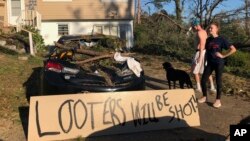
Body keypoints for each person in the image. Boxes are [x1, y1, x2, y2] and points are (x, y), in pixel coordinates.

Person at [198, 22, 237, 108]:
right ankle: (204, 96)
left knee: (218, 81)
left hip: (219, 63)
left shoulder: (222, 39)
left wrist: (223, 55)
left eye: (212, 28)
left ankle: (218, 100)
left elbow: (233, 49)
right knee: (203, 80)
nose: (210, 29)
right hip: (210, 63)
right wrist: (204, 62)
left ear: (217, 29)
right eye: (209, 28)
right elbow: (206, 52)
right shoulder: (208, 40)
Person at [191, 19, 216, 92]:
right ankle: (212, 87)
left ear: (196, 25)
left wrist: (199, 56)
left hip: (200, 52)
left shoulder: (199, 32)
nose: (193, 28)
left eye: (193, 27)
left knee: (194, 70)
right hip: (203, 52)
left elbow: (202, 44)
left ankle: (199, 87)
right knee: (205, 70)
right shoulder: (204, 31)